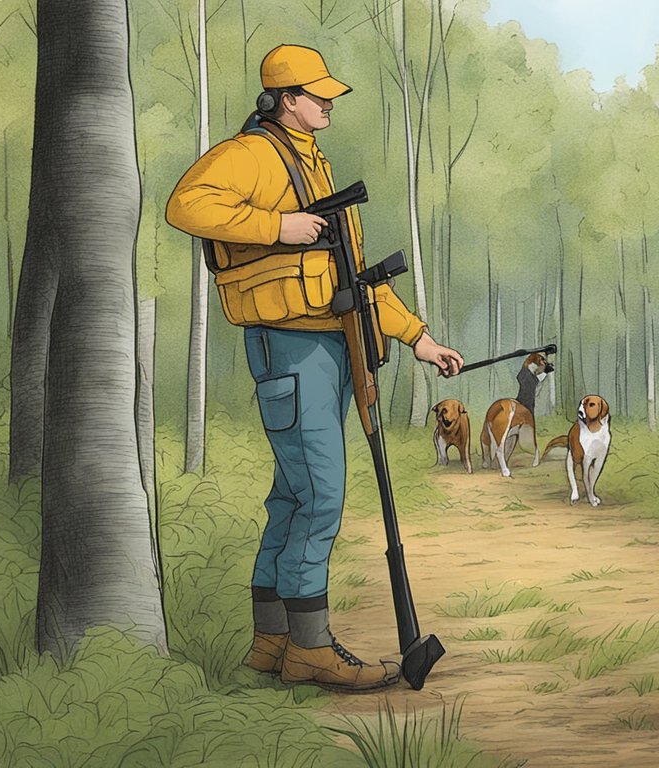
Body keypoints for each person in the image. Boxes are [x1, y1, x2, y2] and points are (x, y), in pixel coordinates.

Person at [166, 44, 463, 693]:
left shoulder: (313, 164)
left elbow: (349, 275)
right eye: (314, 93)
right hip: (290, 345)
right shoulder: (250, 154)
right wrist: (276, 225)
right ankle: (311, 648)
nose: (327, 101)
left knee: (292, 497)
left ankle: (272, 641)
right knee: (322, 495)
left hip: (329, 345)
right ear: (282, 99)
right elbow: (185, 204)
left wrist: (418, 338)